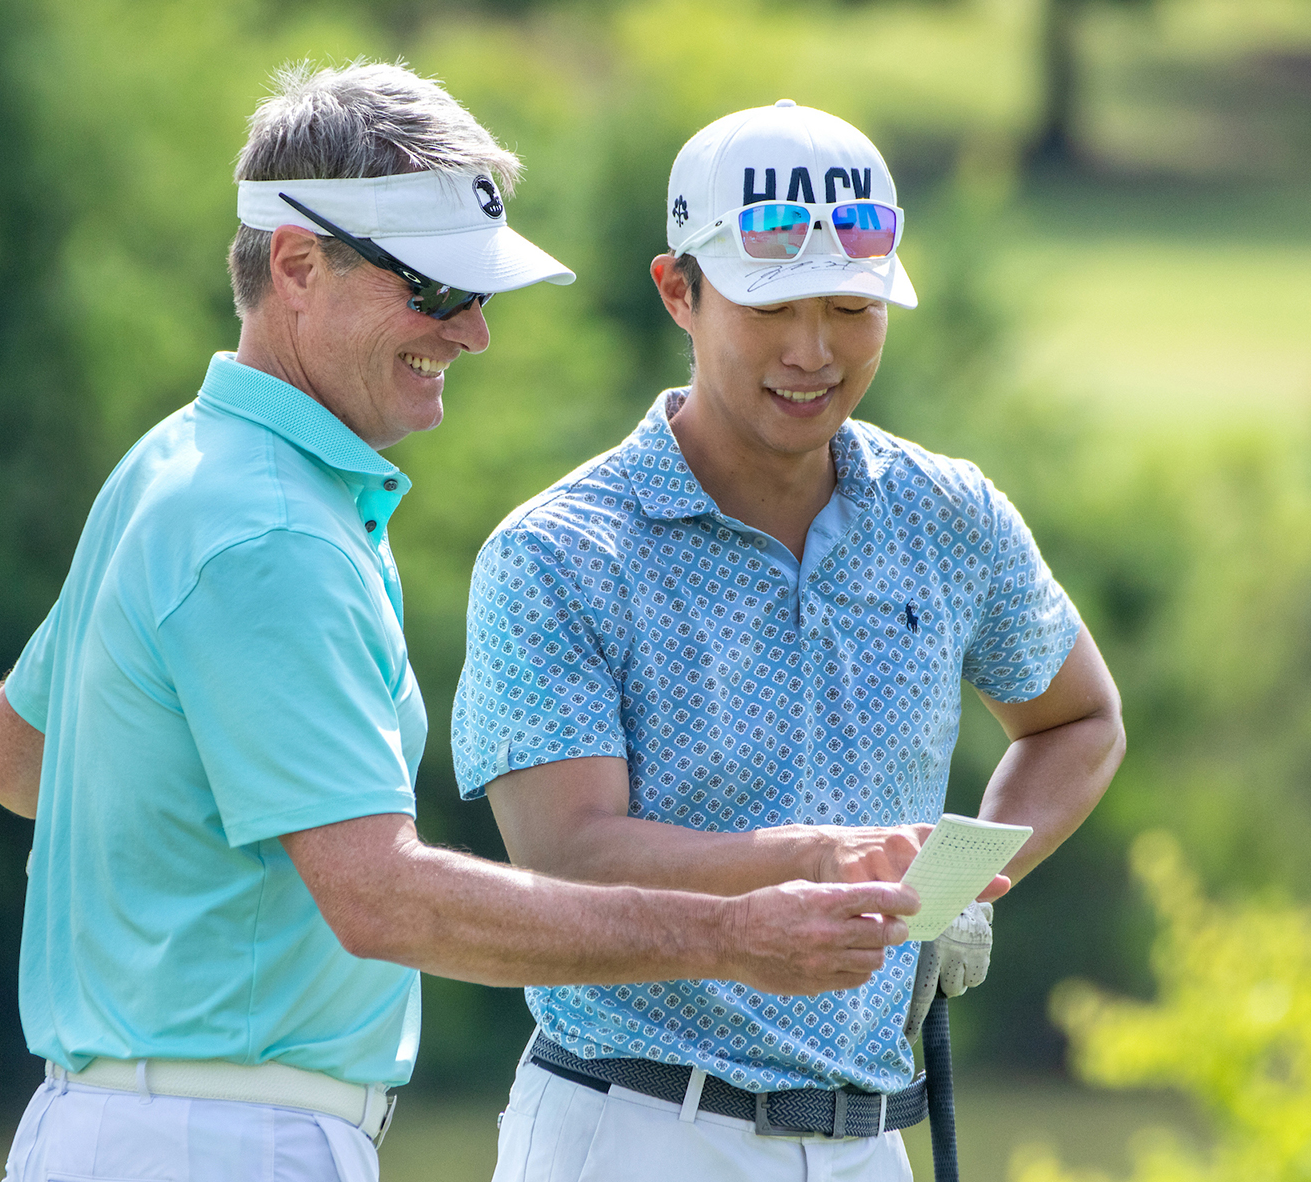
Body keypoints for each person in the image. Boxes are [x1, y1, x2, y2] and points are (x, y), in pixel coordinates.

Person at [0, 68, 925, 1182]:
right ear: (296, 266)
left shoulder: (177, 463)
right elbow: (381, 898)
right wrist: (734, 938)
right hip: (221, 1138)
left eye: (480, 293)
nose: (472, 332)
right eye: (434, 289)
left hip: (132, 1124)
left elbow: (12, 752)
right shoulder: (273, 534)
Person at [452, 100, 1127, 1182]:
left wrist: (955, 884)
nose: (813, 352)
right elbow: (566, 853)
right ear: (679, 291)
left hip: (870, 1138)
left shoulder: (948, 515)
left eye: (852, 307)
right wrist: (814, 864)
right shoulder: (558, 553)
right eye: (771, 308)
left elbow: (1079, 720)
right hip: (635, 1127)